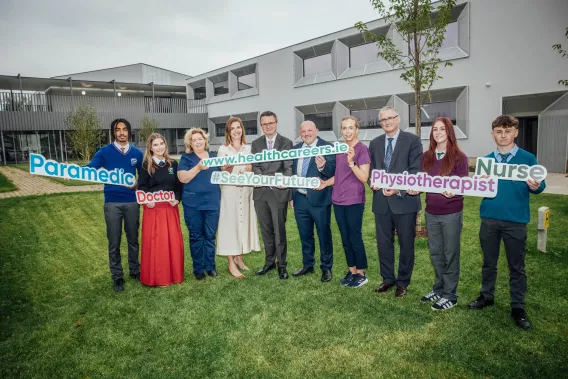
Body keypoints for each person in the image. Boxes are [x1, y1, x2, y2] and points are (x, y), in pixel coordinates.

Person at [467, 115, 545, 330]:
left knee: (516, 267)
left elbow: (540, 186)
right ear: (493, 134)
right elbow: (476, 189)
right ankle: (486, 296)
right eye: (499, 132)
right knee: (488, 263)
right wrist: (477, 183)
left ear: (515, 132)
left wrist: (535, 185)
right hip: (490, 218)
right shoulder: (486, 161)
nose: (503, 136)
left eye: (507, 131)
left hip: (516, 220)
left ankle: (518, 307)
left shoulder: (528, 158)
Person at [414, 117, 468, 310]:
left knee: (450, 253)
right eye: (435, 129)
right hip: (431, 212)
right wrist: (414, 188)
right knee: (436, 252)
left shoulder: (459, 157)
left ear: (449, 132)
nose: (437, 133)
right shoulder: (426, 156)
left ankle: (450, 295)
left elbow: (464, 185)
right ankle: (438, 288)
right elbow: (421, 182)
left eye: (442, 129)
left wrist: (455, 190)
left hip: (451, 212)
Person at [369, 106, 423, 297]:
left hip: (404, 201)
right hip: (381, 203)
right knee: (384, 243)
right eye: (383, 120)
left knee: (406, 243)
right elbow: (372, 172)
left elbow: (416, 170)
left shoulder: (413, 141)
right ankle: (387, 279)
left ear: (398, 118)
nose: (387, 122)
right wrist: (373, 183)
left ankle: (403, 282)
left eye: (390, 118)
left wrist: (398, 189)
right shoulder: (374, 143)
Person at [86, 118, 143, 292]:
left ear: (129, 131)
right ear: (113, 132)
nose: (122, 133)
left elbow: (145, 179)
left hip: (132, 202)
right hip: (112, 203)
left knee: (133, 240)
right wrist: (69, 172)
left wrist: (136, 185)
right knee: (114, 241)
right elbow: (90, 168)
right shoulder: (104, 152)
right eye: (118, 129)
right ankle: (117, 277)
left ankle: (135, 271)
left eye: (125, 129)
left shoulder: (137, 153)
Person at [320, 115, 370, 288]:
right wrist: (325, 183)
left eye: (350, 128)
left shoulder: (362, 149)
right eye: (344, 128)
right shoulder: (339, 148)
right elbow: (338, 175)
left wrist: (351, 163)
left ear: (357, 129)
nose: (347, 131)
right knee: (345, 238)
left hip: (354, 199)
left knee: (354, 236)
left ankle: (361, 273)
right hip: (338, 199)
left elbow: (364, 177)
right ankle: (352, 270)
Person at [289, 121, 336, 282]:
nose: (307, 133)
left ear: (317, 130)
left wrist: (323, 167)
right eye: (303, 131)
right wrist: (291, 196)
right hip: (300, 199)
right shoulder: (295, 149)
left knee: (324, 234)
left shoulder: (327, 147)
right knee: (305, 235)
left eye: (310, 130)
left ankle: (326, 267)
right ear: (300, 133)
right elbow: (291, 174)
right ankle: (308, 264)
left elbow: (333, 171)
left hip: (320, 199)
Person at [138, 133, 184, 287]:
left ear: (165, 145)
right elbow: (143, 187)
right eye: (155, 145)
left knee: (172, 243)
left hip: (170, 209)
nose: (159, 147)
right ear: (150, 148)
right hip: (154, 210)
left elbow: (178, 185)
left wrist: (177, 199)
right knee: (157, 244)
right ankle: (158, 277)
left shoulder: (173, 164)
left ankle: (174, 275)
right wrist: (147, 201)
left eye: (161, 143)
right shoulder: (146, 165)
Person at [251, 111, 293, 280]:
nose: (267, 126)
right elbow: (255, 165)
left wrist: (284, 179)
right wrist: (260, 176)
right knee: (266, 230)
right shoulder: (256, 143)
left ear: (276, 123)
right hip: (261, 193)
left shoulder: (286, 143)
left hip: (278, 192)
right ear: (261, 126)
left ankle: (282, 265)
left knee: (279, 229)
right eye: (264, 124)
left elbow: (288, 166)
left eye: (270, 123)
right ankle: (269, 262)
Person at [217, 117, 260, 278]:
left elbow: (251, 169)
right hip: (230, 192)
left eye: (238, 127)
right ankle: (230, 264)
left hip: (246, 191)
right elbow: (224, 171)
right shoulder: (223, 149)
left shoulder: (248, 148)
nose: (236, 130)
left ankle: (239, 259)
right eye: (232, 128)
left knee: (243, 224)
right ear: (228, 131)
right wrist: (237, 169)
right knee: (230, 227)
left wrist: (236, 168)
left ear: (242, 129)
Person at [178, 128, 221, 280]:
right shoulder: (186, 158)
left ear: (205, 140)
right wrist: (198, 167)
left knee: (210, 235)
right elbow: (183, 178)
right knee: (196, 236)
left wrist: (229, 165)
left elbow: (223, 176)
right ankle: (198, 269)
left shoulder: (215, 157)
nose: (197, 142)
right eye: (194, 140)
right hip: (193, 204)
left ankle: (210, 266)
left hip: (212, 202)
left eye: (200, 138)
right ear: (190, 143)